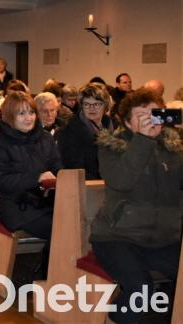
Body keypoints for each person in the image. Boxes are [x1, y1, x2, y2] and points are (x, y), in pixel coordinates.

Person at [90, 88, 183, 324]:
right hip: (118, 238)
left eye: (154, 114)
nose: (149, 121)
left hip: (163, 238)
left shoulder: (173, 148)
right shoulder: (111, 146)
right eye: (141, 117)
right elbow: (122, 181)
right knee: (141, 289)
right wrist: (143, 140)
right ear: (128, 122)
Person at [0, 91, 62, 278]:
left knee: (75, 223)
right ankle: (46, 276)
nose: (28, 118)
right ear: (10, 116)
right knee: (60, 229)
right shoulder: (0, 143)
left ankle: (52, 273)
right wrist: (37, 178)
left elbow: (58, 167)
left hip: (44, 201)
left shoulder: (45, 138)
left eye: (31, 112)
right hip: (14, 204)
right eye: (21, 113)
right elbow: (2, 181)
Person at [57, 83, 114, 180]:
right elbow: (74, 169)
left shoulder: (110, 125)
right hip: (86, 185)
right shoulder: (70, 130)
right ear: (81, 106)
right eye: (87, 104)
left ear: (105, 105)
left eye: (96, 104)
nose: (91, 108)